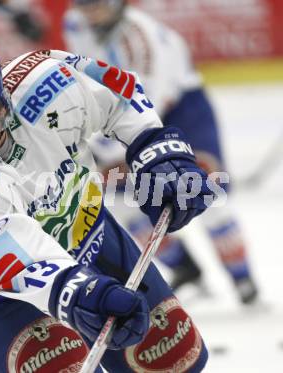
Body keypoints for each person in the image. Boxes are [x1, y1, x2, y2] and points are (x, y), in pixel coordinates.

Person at [0, 36, 216, 372]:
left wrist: (155, 150)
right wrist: (85, 294)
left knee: (173, 361)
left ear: (2, 103)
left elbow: (120, 94)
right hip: (8, 302)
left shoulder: (45, 82)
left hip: (96, 242)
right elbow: (21, 265)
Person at [64, 0, 258, 304]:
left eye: (97, 4)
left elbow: (151, 104)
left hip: (181, 113)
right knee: (122, 201)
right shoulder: (75, 23)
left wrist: (107, 146)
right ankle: (185, 267)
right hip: (123, 116)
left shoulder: (142, 39)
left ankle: (242, 277)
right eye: (83, 4)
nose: (89, 13)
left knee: (207, 194)